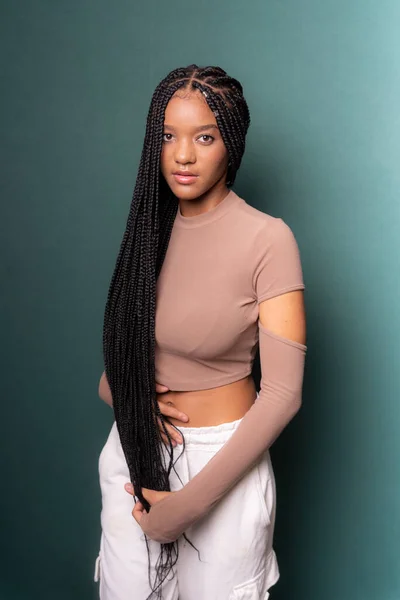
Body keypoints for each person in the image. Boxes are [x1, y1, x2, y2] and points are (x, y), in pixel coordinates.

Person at [94, 64, 307, 600]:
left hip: (222, 466)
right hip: (134, 455)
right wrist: (129, 398)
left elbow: (282, 394)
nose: (182, 155)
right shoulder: (149, 232)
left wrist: (185, 509)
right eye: (167, 136)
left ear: (230, 144)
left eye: (203, 137)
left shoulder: (268, 240)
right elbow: (115, 370)